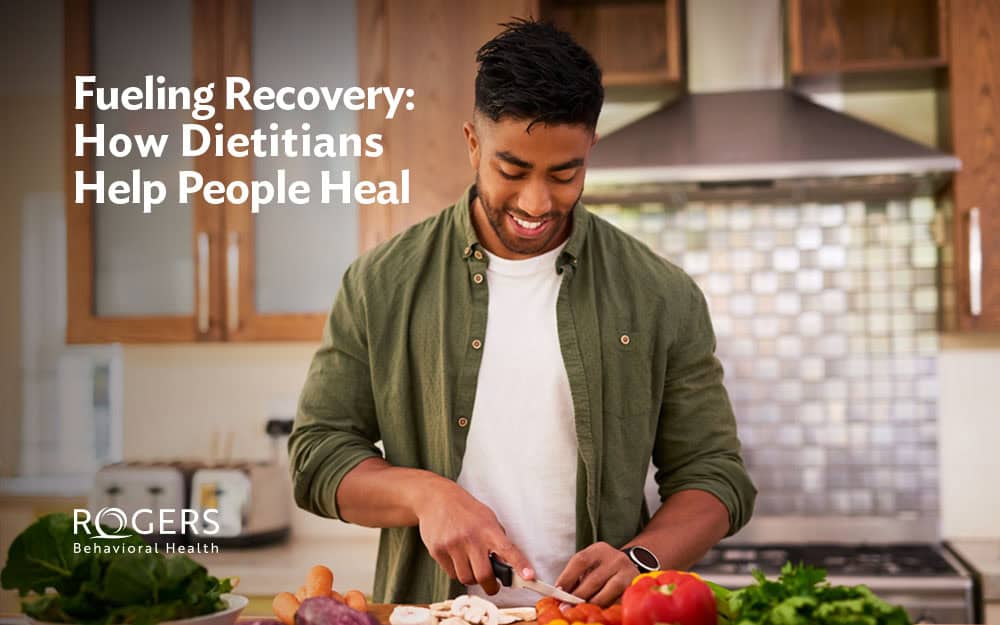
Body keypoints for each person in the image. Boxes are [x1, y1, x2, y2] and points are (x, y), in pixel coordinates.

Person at [290, 18, 756, 608]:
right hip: (430, 619)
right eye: (511, 171)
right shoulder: (380, 284)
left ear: (589, 149)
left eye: (565, 174)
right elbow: (317, 456)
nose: (537, 203)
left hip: (594, 621)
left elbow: (715, 476)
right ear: (472, 143)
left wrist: (642, 558)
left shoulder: (660, 294)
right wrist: (426, 495)